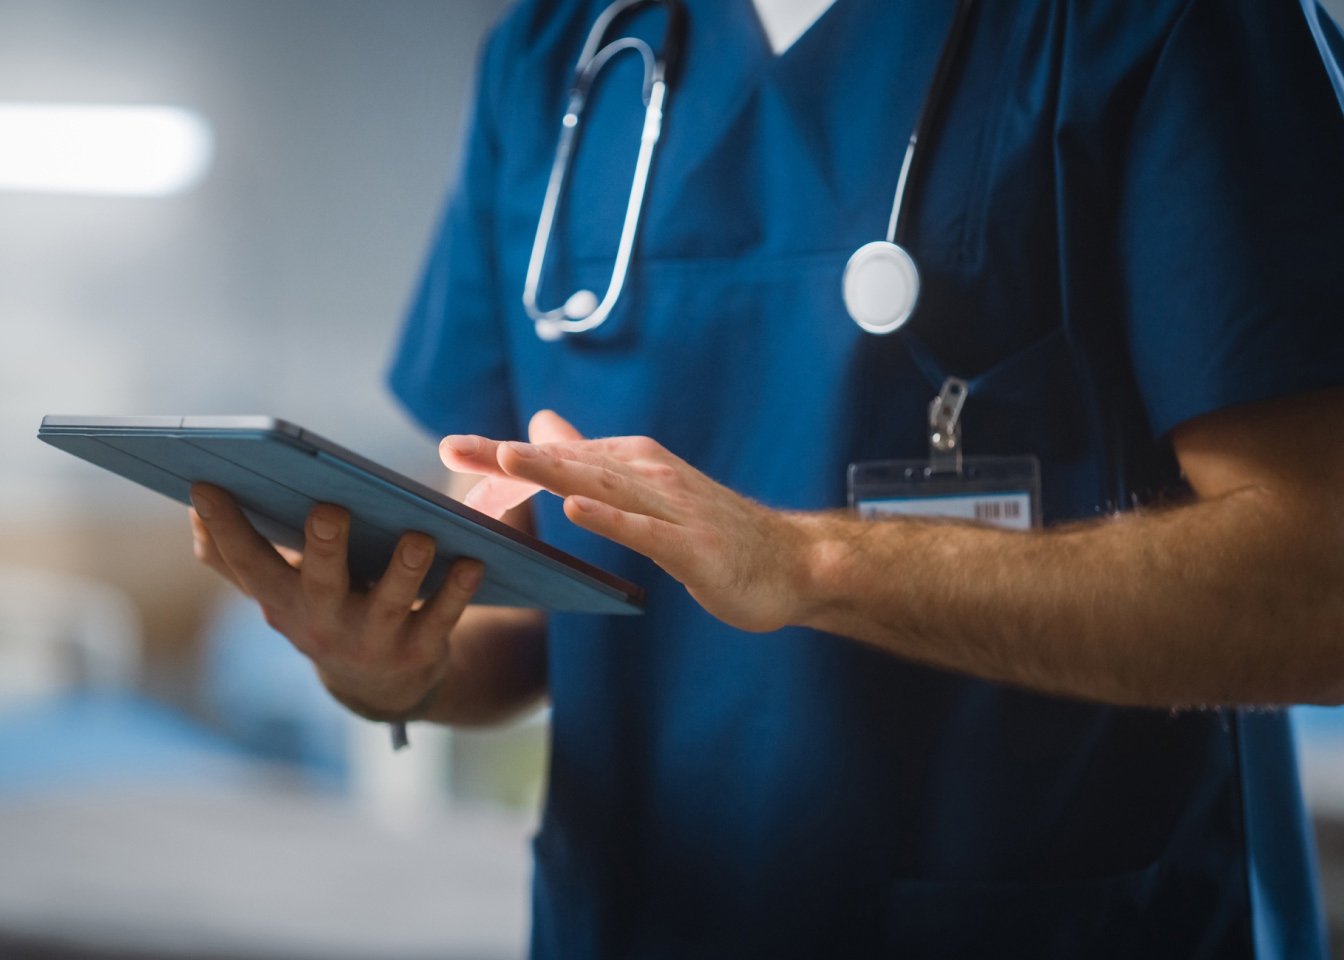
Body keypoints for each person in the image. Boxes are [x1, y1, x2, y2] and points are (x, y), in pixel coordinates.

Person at [189, 0, 1344, 956]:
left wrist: (809, 564)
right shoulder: (555, 58)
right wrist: (394, 665)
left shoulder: (1165, 25)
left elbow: (1316, 588)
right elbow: (530, 609)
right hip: (626, 919)